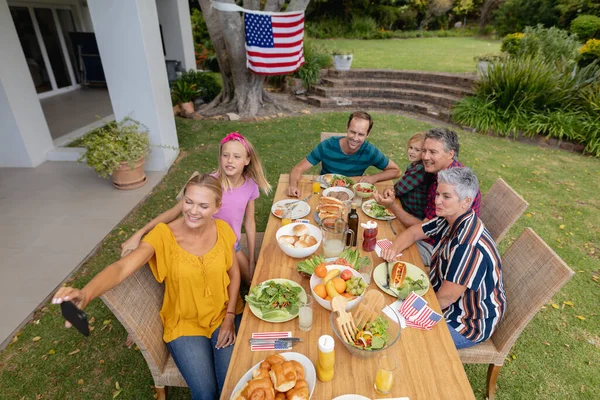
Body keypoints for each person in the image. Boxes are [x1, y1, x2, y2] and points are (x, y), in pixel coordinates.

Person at [52, 174, 244, 400]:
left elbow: (234, 272)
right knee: (205, 393)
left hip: (224, 315)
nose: (193, 210)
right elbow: (121, 268)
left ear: (217, 207)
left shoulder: (222, 229)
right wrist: (86, 293)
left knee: (232, 388)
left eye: (203, 205)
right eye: (188, 201)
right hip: (184, 323)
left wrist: (230, 316)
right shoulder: (163, 235)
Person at [121, 132, 271, 285]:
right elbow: (174, 212)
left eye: (237, 157)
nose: (230, 160)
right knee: (222, 286)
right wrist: (138, 234)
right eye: (225, 155)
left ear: (247, 160)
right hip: (209, 246)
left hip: (233, 244)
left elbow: (250, 222)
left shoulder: (250, 184)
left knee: (252, 282)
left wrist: (252, 260)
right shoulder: (210, 184)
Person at [381, 167, 505, 349]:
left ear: (466, 202)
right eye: (438, 194)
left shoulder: (467, 246)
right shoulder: (449, 217)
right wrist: (393, 249)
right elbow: (415, 232)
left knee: (399, 335)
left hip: (466, 322)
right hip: (442, 296)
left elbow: (445, 299)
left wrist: (404, 310)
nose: (437, 201)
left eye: (446, 197)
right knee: (389, 302)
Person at [374, 127, 481, 265]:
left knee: (379, 253)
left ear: (450, 154)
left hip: (439, 246)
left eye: (433, 152)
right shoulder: (440, 174)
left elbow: (427, 228)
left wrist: (393, 206)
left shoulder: (451, 185)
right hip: (427, 233)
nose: (425, 157)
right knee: (380, 235)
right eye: (424, 150)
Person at [287, 111, 401, 197]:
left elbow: (396, 171)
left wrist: (374, 178)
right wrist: (292, 185)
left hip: (352, 194)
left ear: (368, 134)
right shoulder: (328, 145)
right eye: (352, 132)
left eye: (361, 134)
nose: (355, 138)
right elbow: (298, 169)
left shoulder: (369, 151)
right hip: (324, 192)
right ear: (347, 128)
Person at [393, 132, 431, 220]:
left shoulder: (420, 169)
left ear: (424, 152)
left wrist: (391, 190)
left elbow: (398, 189)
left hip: (413, 212)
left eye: (417, 150)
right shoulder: (415, 165)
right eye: (410, 148)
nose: (412, 152)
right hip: (407, 204)